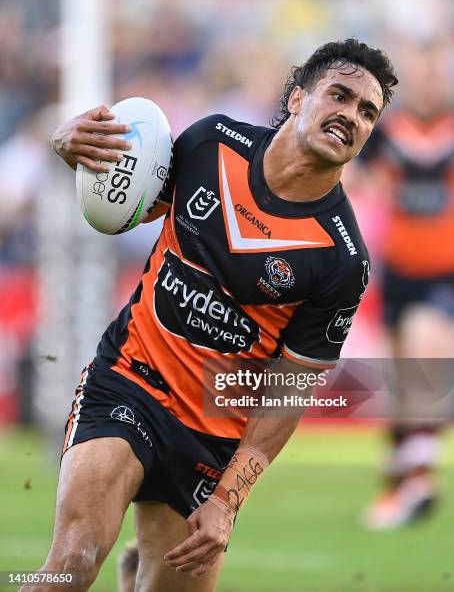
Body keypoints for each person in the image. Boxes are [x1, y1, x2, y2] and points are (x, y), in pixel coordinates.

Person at [27, 39, 397, 592]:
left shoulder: (341, 259)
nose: (351, 116)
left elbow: (289, 390)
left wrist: (227, 500)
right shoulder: (211, 142)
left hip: (211, 439)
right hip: (129, 382)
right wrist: (74, 153)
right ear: (297, 99)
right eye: (339, 96)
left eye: (368, 112)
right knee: (70, 567)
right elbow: (125, 206)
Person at [358, 40, 454, 530]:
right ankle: (400, 481)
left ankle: (420, 482)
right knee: (399, 379)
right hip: (396, 270)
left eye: (438, 72)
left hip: (444, 272)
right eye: (423, 72)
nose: (432, 81)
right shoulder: (386, 132)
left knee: (424, 361)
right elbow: (356, 177)